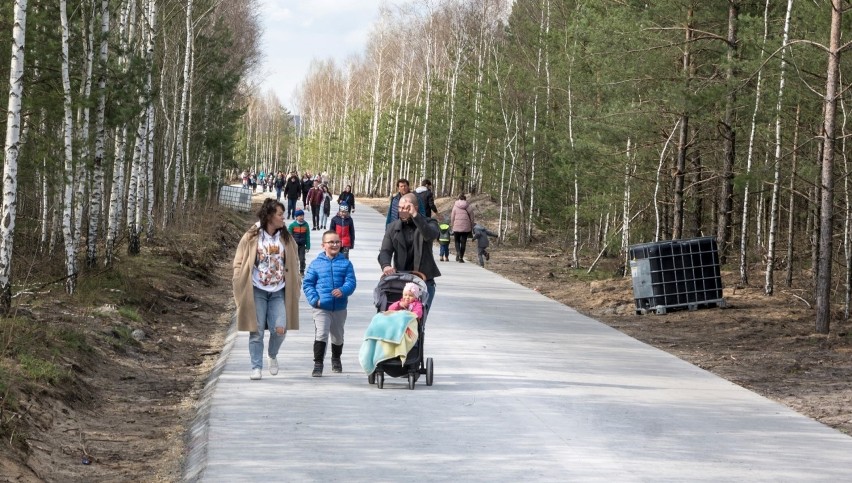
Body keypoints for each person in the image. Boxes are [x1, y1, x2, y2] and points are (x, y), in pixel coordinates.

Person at [232, 198, 300, 380]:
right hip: (257, 289)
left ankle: (272, 354)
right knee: (257, 330)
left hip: (279, 290)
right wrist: (238, 277)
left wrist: (296, 279)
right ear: (269, 216)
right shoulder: (253, 235)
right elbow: (239, 260)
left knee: (280, 329)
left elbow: (294, 260)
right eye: (279, 214)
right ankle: (256, 367)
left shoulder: (285, 236)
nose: (283, 218)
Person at [302, 231, 357, 377]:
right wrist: (315, 300)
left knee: (338, 336)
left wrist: (343, 290)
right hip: (321, 307)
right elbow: (308, 284)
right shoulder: (315, 264)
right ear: (323, 245)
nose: (334, 245)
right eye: (331, 242)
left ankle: (336, 359)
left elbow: (351, 282)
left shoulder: (346, 263)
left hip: (339, 307)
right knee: (321, 333)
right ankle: (318, 364)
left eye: (337, 242)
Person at [378, 193, 441, 307]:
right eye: (400, 208)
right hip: (401, 281)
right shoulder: (392, 227)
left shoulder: (430, 223)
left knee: (417, 321)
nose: (402, 211)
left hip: (424, 280)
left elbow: (430, 235)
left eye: (406, 208)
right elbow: (385, 251)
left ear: (415, 208)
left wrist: (415, 216)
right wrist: (386, 265)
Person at [450, 194, 474, 263]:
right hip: (466, 228)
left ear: (459, 199)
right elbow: (472, 218)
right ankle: (461, 258)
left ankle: (458, 252)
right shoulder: (469, 207)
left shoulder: (455, 206)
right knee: (463, 242)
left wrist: (452, 225)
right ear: (465, 199)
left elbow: (452, 217)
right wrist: (471, 226)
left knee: (456, 241)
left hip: (456, 227)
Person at [288, 209, 311, 275]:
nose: (302, 217)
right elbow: (289, 236)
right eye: (300, 216)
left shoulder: (306, 225)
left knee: (302, 258)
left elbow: (307, 236)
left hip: (302, 245)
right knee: (294, 259)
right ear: (296, 217)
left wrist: (308, 246)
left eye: (302, 215)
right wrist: (289, 245)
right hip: (294, 245)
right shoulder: (292, 225)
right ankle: (294, 271)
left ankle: (301, 271)